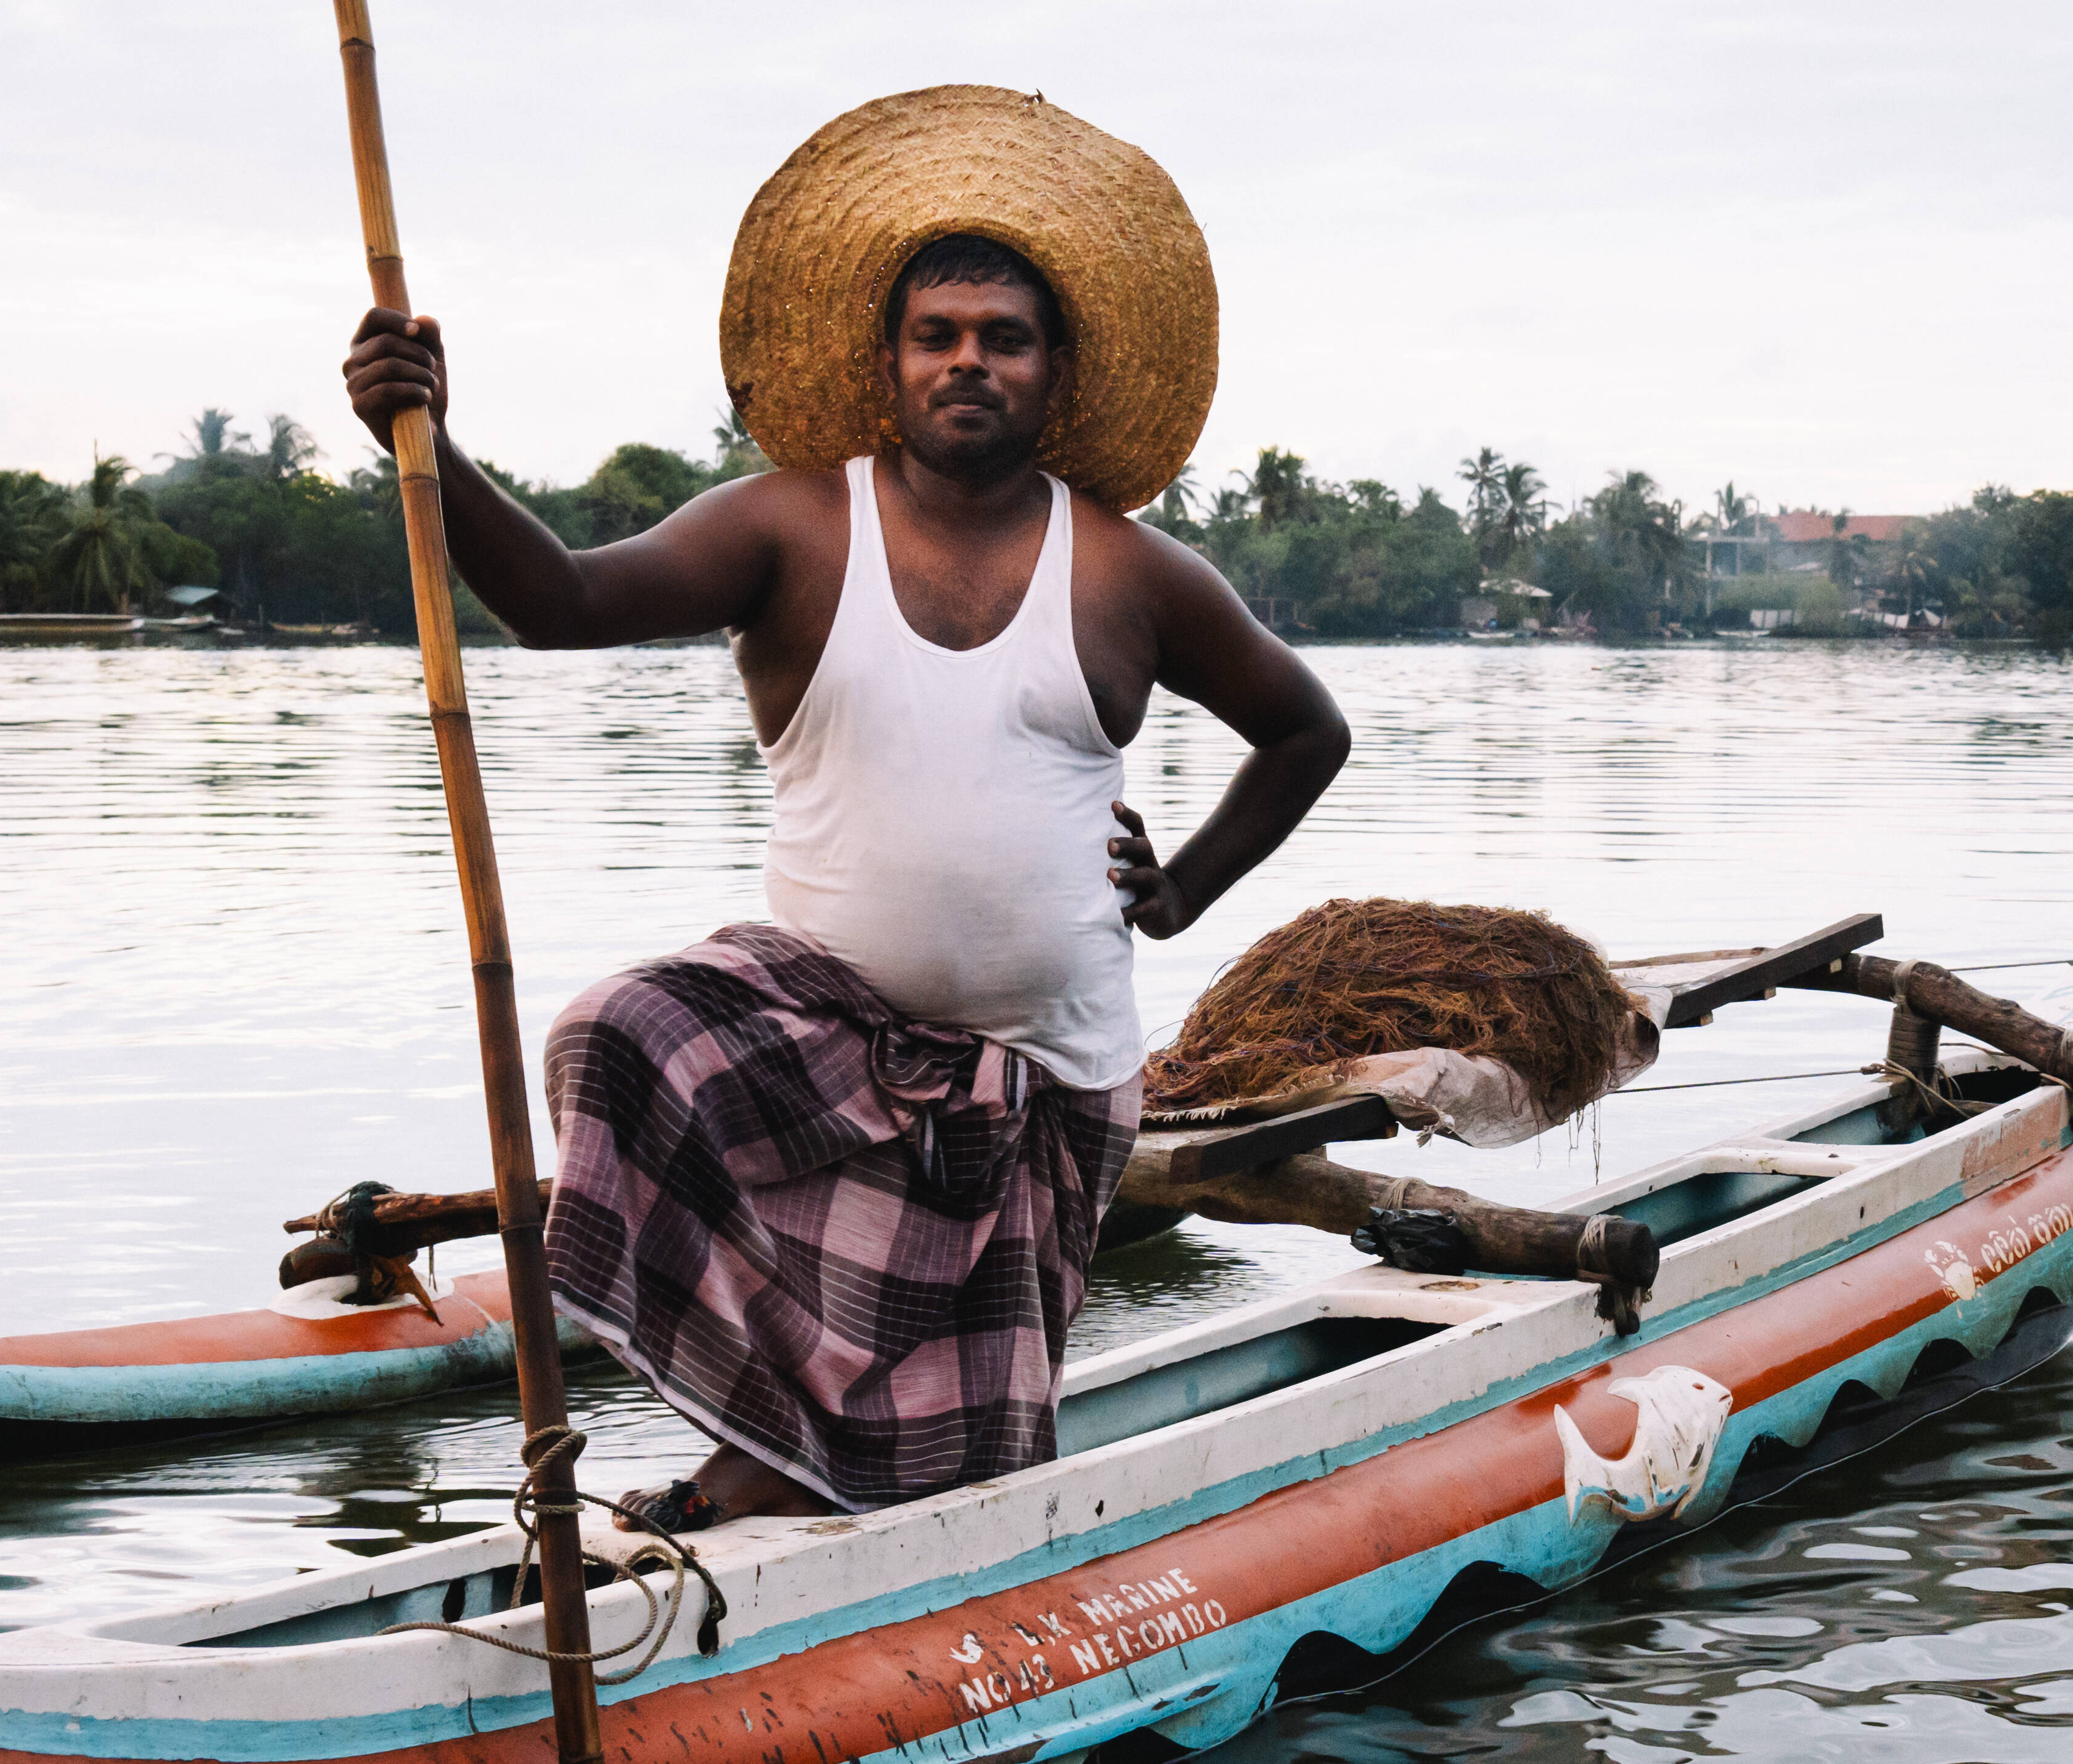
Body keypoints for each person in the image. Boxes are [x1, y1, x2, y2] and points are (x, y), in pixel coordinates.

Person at [339, 88, 1346, 1529]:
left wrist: (1180, 889)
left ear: (1054, 372)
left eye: (1002, 339)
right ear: (889, 365)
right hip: (821, 1038)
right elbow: (562, 603)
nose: (967, 363)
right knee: (613, 1038)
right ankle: (755, 1447)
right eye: (936, 336)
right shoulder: (790, 526)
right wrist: (422, 439)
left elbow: (1305, 731)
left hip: (1043, 1077)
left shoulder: (1132, 572)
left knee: (973, 1483)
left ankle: (871, 1533)